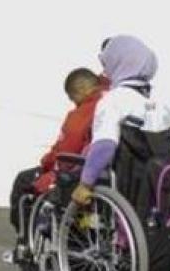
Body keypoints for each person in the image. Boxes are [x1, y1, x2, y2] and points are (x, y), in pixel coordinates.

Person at [72, 35, 170, 207]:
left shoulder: (113, 101)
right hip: (166, 184)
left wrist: (84, 184)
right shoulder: (162, 103)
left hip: (130, 186)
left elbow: (104, 146)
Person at [8, 67, 103, 232]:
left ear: (82, 89)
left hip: (77, 173)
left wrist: (46, 162)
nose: (73, 102)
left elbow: (66, 151)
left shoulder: (82, 113)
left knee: (23, 180)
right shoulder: (112, 101)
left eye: (72, 96)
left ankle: (24, 241)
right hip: (104, 173)